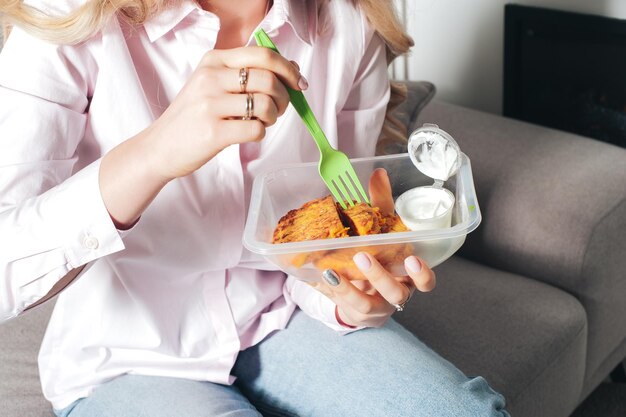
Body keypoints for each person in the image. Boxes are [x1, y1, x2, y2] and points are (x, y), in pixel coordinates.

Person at [0, 0, 509, 415]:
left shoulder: (352, 21)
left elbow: (329, 240)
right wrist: (153, 154)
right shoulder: (65, 16)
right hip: (128, 352)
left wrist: (348, 293)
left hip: (281, 313)